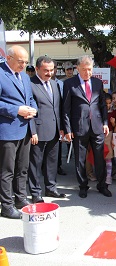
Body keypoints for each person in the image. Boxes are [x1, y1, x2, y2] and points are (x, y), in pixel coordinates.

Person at [63, 55, 111, 198]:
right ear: (77, 69)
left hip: (97, 126)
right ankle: (83, 186)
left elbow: (102, 105)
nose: (87, 72)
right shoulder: (69, 84)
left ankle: (102, 185)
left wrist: (105, 123)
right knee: (80, 159)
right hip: (79, 127)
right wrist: (68, 129)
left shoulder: (97, 83)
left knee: (100, 158)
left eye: (89, 69)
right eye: (84, 69)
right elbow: (66, 109)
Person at [0, 45, 38, 219]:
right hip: (7, 130)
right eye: (20, 62)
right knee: (7, 170)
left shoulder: (24, 76)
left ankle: (20, 198)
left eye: (25, 62)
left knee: (22, 168)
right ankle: (6, 206)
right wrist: (17, 110)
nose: (23, 65)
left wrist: (33, 109)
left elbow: (30, 98)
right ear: (9, 58)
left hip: (25, 129)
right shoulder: (1, 73)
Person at [28, 56, 66, 204]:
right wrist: (32, 131)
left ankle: (51, 187)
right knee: (35, 164)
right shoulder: (30, 84)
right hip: (38, 131)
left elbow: (58, 107)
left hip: (55, 130)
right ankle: (36, 192)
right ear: (37, 69)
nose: (49, 73)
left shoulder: (55, 84)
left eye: (51, 70)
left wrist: (62, 127)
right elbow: (30, 109)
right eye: (46, 70)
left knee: (52, 161)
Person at [52, 60, 67, 176]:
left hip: (59, 116)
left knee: (58, 143)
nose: (54, 70)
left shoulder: (61, 84)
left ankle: (58, 166)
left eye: (55, 67)